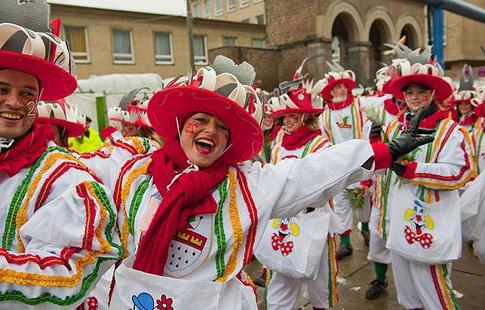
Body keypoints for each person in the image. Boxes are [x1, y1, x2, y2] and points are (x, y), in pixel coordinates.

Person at [104, 56, 431, 309]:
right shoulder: (135, 173)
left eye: (222, 127)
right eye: (200, 120)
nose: (209, 131)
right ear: (180, 125)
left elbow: (312, 172)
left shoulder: (246, 185)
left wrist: (383, 152)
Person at [0, 22, 120, 308]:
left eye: (28, 93)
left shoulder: (69, 179)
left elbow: (67, 276)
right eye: (2, 89)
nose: (15, 102)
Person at [382, 45, 475, 310]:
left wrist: (414, 171)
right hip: (398, 222)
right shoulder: (395, 127)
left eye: (422, 91)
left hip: (430, 224)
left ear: (433, 93)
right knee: (407, 296)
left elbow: (461, 172)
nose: (415, 97)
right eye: (409, 92)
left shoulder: (450, 131)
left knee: (434, 295)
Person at [261, 71, 339, 310]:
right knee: (279, 289)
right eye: (284, 118)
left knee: (321, 289)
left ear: (306, 116)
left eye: (293, 116)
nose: (286, 123)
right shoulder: (278, 146)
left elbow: (327, 186)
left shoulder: (321, 145)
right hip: (282, 224)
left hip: (313, 224)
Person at [319, 62, 372, 259]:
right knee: (341, 202)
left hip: (362, 161)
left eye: (342, 86)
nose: (340, 90)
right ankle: (346, 242)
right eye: (336, 87)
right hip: (339, 166)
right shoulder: (324, 115)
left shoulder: (360, 106)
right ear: (330, 91)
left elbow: (368, 131)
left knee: (364, 198)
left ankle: (366, 229)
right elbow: (324, 141)